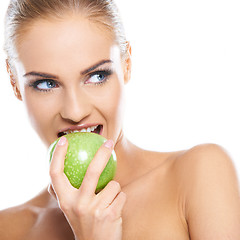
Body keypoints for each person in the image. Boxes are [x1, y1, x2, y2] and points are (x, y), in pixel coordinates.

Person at [0, 0, 240, 239]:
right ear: (15, 84)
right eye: (46, 84)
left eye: (96, 76)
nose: (74, 112)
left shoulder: (198, 175)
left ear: (126, 64)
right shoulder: (9, 229)